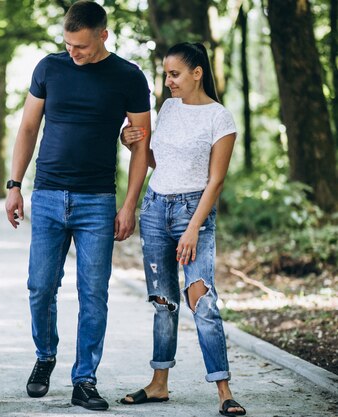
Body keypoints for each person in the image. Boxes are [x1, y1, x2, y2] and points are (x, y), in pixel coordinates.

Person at [4, 0, 151, 411]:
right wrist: (14, 185)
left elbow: (141, 145)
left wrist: (129, 205)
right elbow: (29, 127)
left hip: (97, 202)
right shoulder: (49, 68)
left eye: (81, 46)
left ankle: (84, 379)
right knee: (39, 287)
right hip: (48, 196)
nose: (73, 52)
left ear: (103, 35)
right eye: (68, 44)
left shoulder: (128, 76)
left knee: (93, 295)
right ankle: (45, 356)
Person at [119, 42, 246, 417]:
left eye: (174, 74)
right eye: (166, 75)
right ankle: (159, 384)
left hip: (195, 213)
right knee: (163, 301)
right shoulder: (169, 108)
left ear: (197, 73)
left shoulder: (220, 118)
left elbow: (216, 181)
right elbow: (160, 161)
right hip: (156, 208)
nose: (168, 81)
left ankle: (224, 390)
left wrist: (193, 228)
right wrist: (131, 145)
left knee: (201, 300)